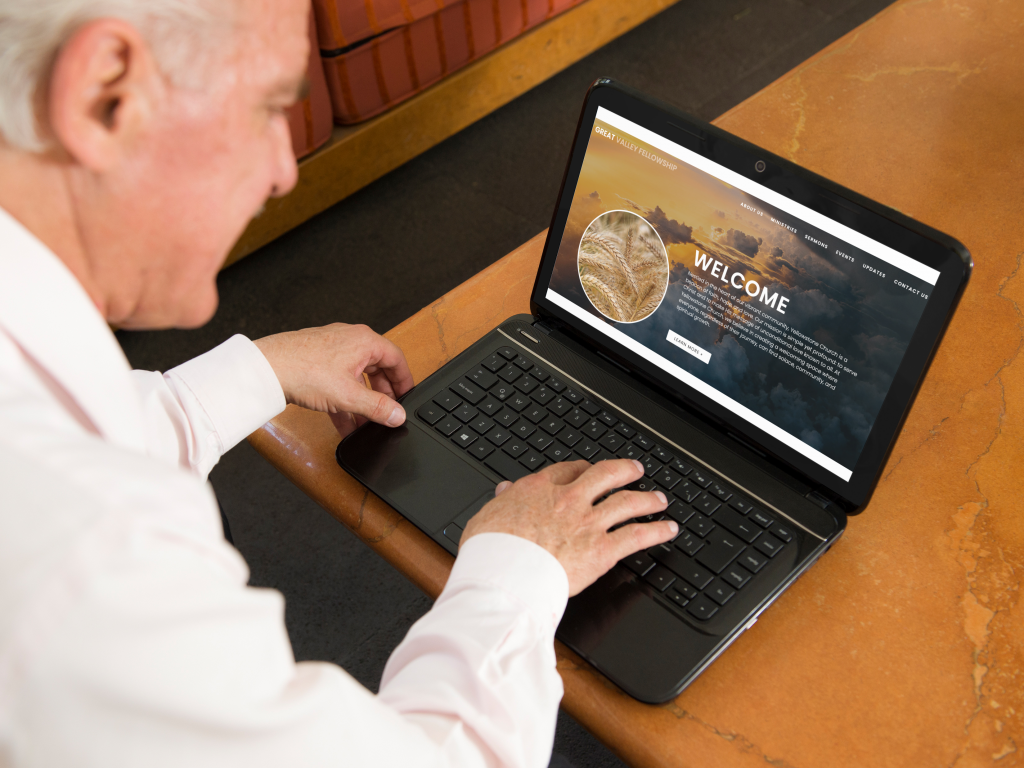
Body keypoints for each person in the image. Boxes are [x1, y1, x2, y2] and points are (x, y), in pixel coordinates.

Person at [0, 0, 678, 765]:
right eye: (263, 108)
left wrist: (255, 370)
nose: (283, 171)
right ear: (104, 93)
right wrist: (518, 566)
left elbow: (79, 430)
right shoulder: (84, 561)